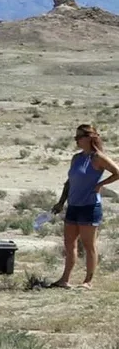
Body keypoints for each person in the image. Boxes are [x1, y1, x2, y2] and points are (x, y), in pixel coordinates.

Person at [50, 124, 119, 289]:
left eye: (79, 137)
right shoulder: (76, 158)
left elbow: (117, 172)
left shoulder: (97, 157)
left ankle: (88, 281)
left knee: (89, 245)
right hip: (73, 205)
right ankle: (64, 279)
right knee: (69, 243)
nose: (76, 140)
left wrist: (100, 184)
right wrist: (61, 202)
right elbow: (69, 182)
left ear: (89, 137)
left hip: (89, 206)